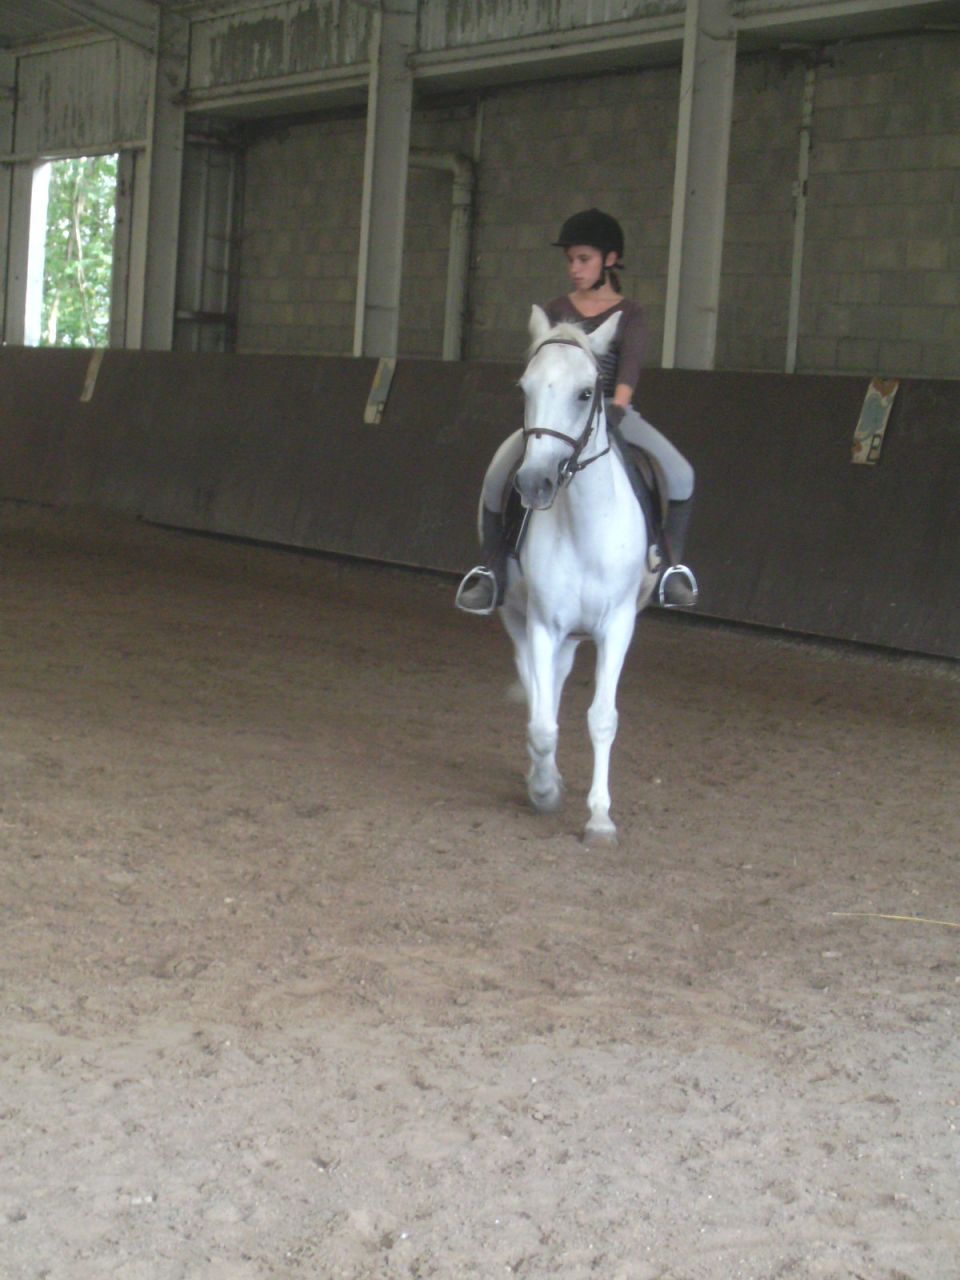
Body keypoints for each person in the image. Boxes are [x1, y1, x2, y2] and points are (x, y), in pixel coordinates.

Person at [456, 208, 698, 615]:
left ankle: (668, 568)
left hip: (612, 410)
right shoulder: (555, 310)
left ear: (609, 259)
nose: (574, 268)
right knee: (497, 474)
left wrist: (618, 407)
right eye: (570, 260)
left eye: (583, 259)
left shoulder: (631, 313)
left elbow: (629, 367)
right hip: (557, 418)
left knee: (681, 474)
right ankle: (492, 570)